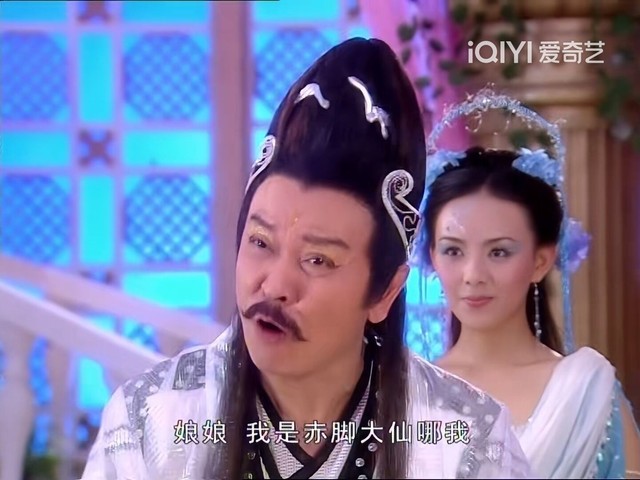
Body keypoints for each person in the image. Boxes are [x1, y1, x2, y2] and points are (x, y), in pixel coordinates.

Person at [81, 39, 532, 479]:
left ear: (385, 291)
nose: (276, 285)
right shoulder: (150, 422)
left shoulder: (467, 444)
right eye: (261, 242)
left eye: (318, 260)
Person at [416, 87, 640, 478]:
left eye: (499, 252)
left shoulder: (588, 394)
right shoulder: (404, 393)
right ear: (431, 256)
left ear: (541, 261)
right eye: (453, 250)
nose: (473, 274)